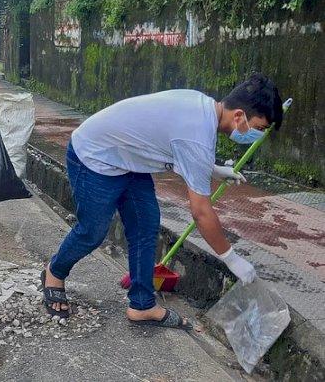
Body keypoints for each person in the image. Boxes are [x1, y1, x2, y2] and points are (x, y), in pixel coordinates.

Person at [41, 74, 284, 329]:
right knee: (93, 231)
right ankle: (54, 273)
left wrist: (212, 169)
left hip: (127, 159)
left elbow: (178, 144)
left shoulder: (202, 107)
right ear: (238, 116)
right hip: (93, 156)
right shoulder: (197, 134)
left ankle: (142, 305)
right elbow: (201, 212)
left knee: (146, 226)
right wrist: (232, 259)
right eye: (258, 128)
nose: (256, 135)